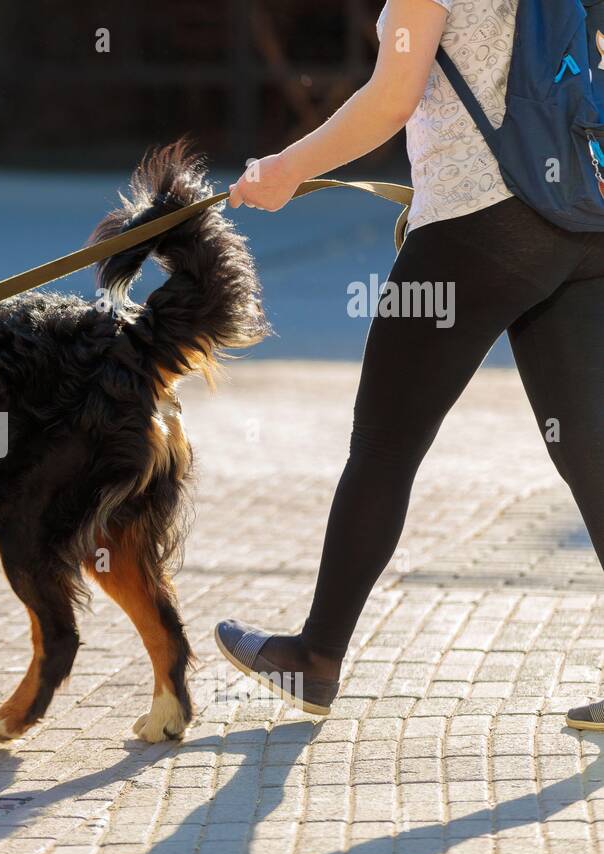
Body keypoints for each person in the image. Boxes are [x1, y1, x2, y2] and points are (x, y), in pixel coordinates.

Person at [216, 0, 604, 731]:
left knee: (385, 448)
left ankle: (315, 659)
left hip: (474, 229)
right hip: (583, 222)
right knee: (593, 450)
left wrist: (284, 170)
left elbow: (391, 99)